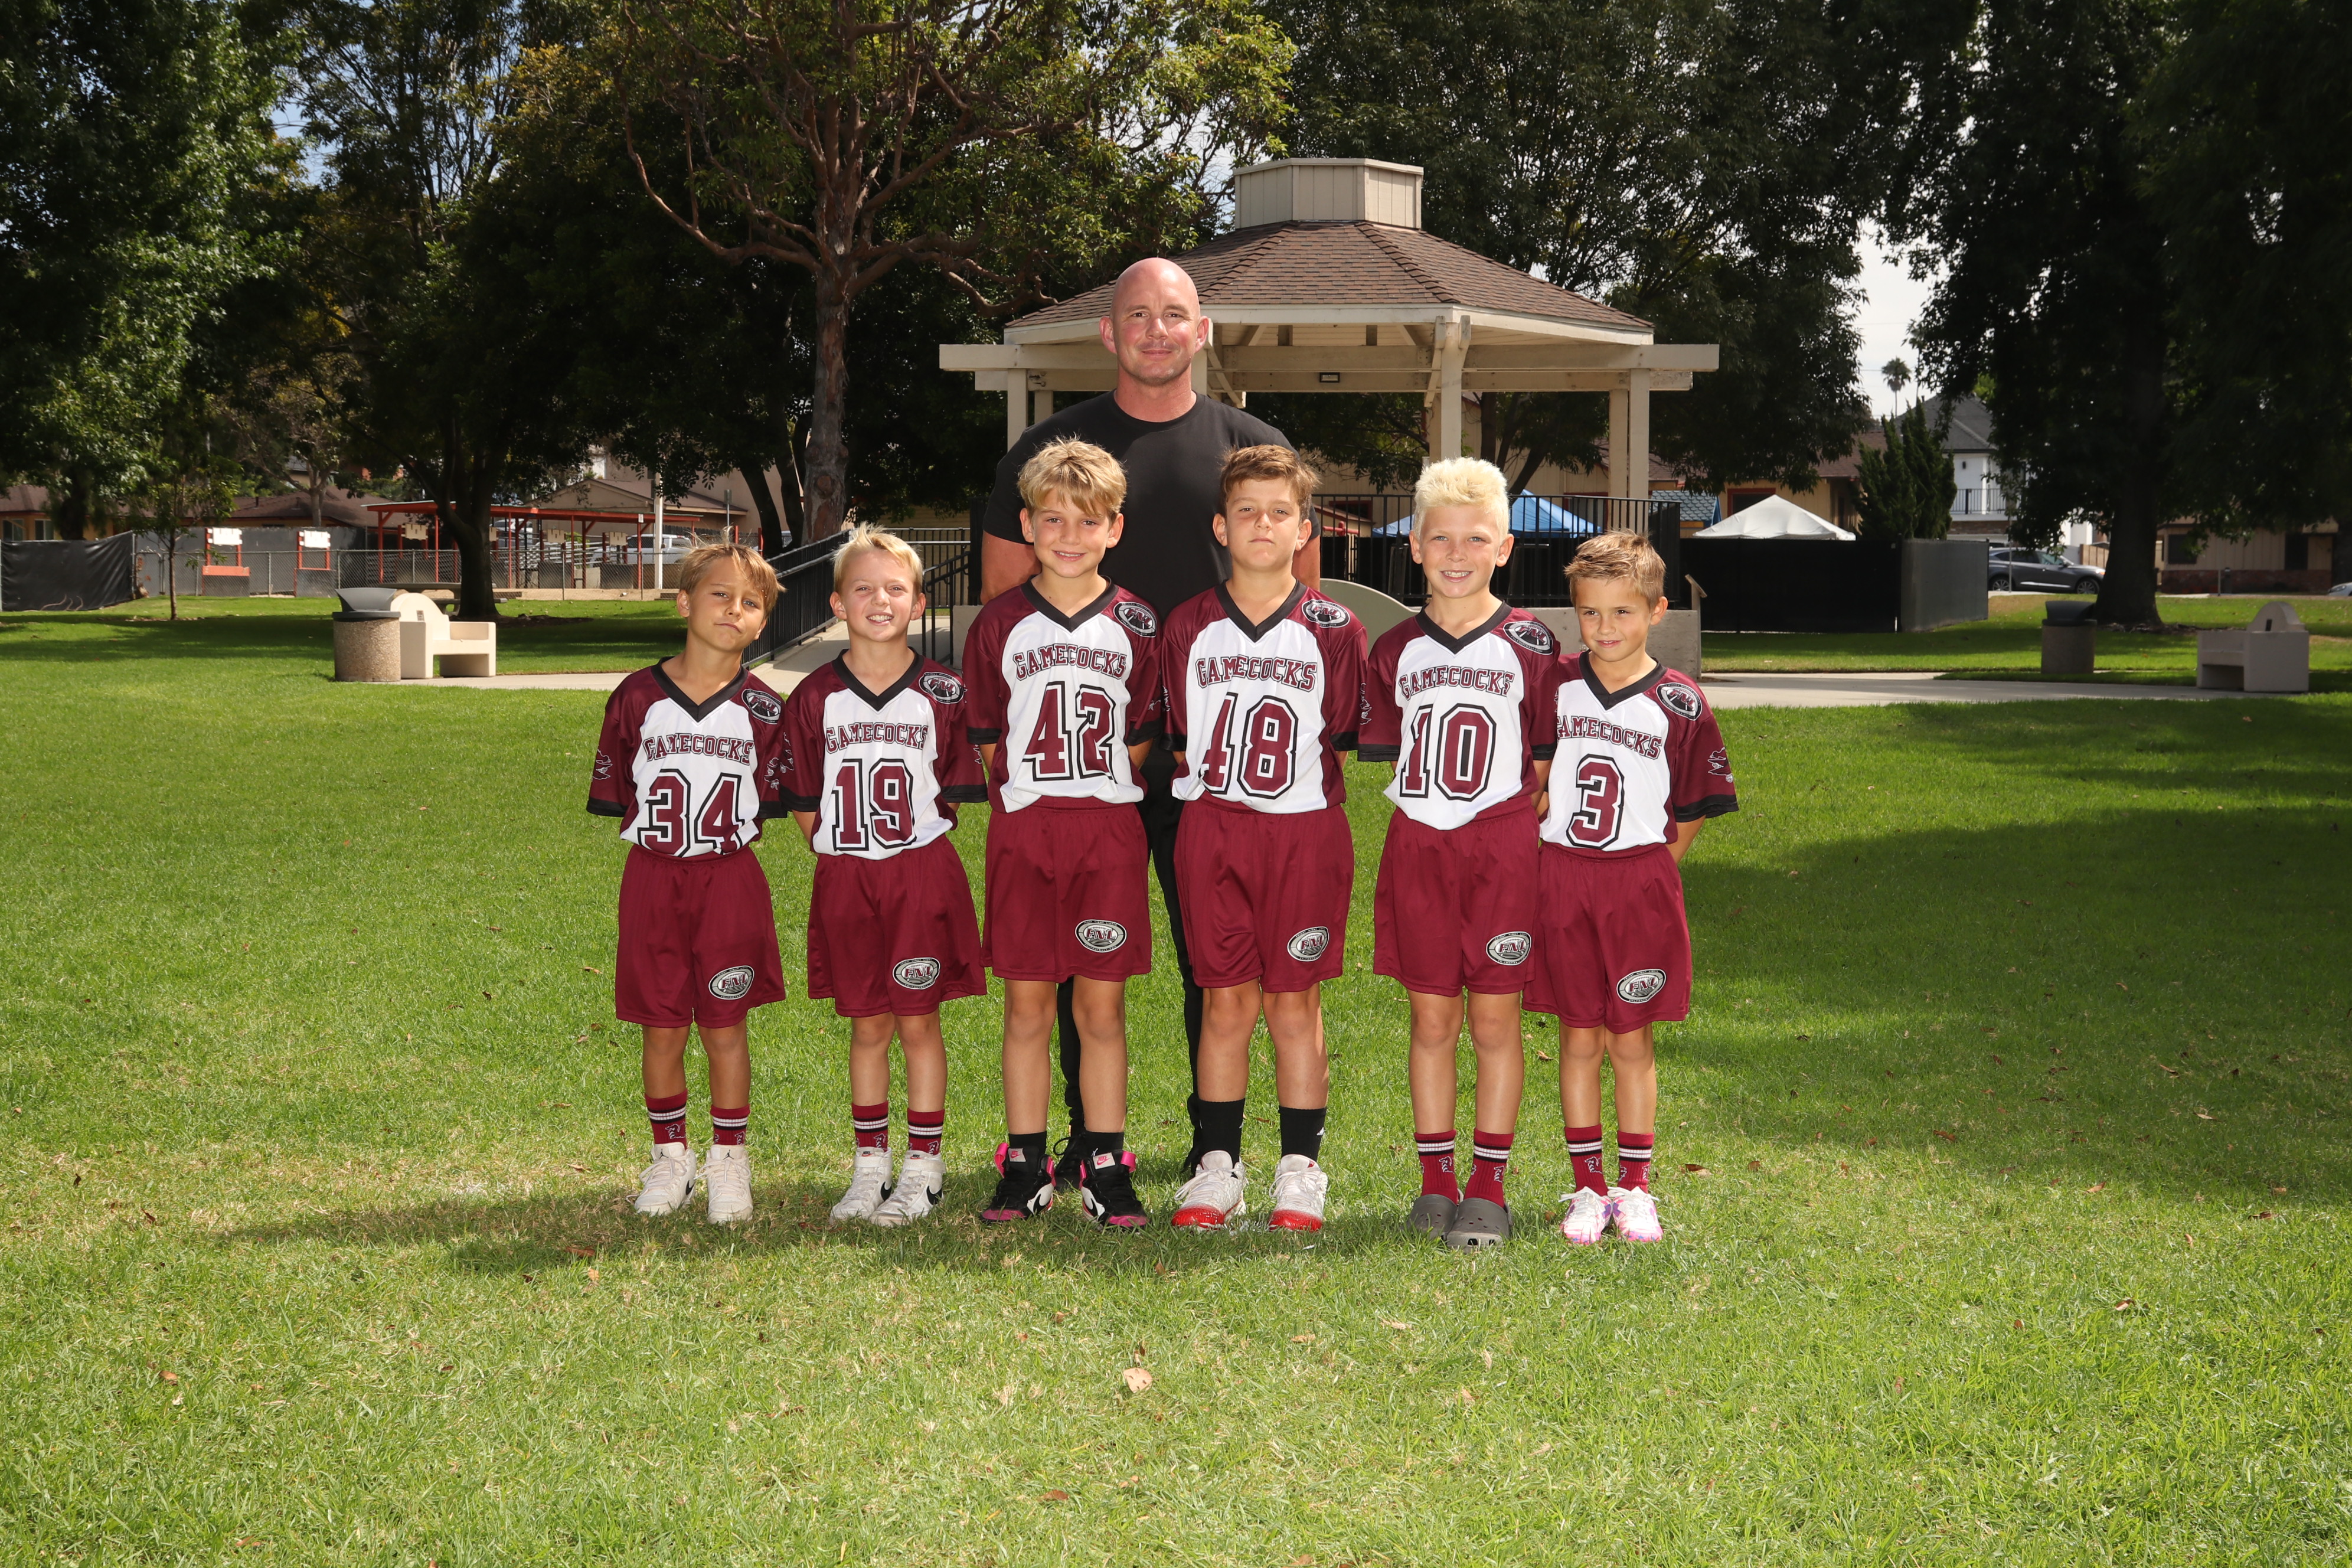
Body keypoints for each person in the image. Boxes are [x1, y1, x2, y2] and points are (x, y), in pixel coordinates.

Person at [976, 257, 1314, 1183]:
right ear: (1108, 332)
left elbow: (1303, 603)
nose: (1156, 331)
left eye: (1174, 315)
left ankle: (1215, 1144)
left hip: (1220, 765)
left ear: (1202, 331)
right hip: (1087, 763)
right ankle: (1087, 1142)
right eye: (1137, 315)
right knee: (1072, 961)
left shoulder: (1251, 446)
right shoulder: (1052, 452)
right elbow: (1005, 600)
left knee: (1219, 962)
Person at [1360, 459, 1567, 1250]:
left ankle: (1489, 1183)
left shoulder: (1532, 643)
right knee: (1432, 1016)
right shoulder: (1394, 649)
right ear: (1414, 546)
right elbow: (1388, 747)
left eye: (1476, 538)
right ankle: (1436, 1179)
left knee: (1495, 1017)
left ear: (1505, 547)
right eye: (1440, 538)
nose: (1457, 553)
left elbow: (1544, 763)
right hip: (1420, 844)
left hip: (1502, 847)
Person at [1158, 445, 1365, 1232]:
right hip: (1215, 828)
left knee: (1294, 1002)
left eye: (1280, 512)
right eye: (1246, 510)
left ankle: (1299, 1171)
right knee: (1224, 1000)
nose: (1262, 524)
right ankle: (1218, 1167)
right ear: (1221, 526)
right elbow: (1182, 736)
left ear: (1305, 529)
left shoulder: (1334, 628)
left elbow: (1338, 735)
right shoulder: (1188, 625)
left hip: (1304, 831)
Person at [963, 439, 1163, 1228]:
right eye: (1053, 519)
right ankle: (1024, 1163)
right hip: (1026, 829)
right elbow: (988, 734)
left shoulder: (1137, 621)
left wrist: (1092, 793)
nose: (1069, 536)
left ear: (1115, 528)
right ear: (1027, 524)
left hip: (1105, 830)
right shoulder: (999, 622)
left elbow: (1140, 734)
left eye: (1087, 521)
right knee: (1027, 1006)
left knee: (1101, 1009)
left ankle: (1106, 1162)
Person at [1530, 532, 1738, 1245]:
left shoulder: (1680, 702)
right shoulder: (1554, 686)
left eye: (1622, 611)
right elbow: (1531, 778)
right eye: (1590, 612)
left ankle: (1637, 1186)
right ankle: (1588, 1186)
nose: (1605, 627)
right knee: (1578, 1035)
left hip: (1639, 881)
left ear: (1656, 610)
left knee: (1631, 1038)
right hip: (1564, 875)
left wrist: (1648, 869)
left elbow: (1693, 808)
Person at [780, 526, 989, 1228]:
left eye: (895, 588)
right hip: (847, 874)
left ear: (919, 602)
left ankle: (924, 1166)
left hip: (919, 874)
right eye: (863, 588)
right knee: (867, 1024)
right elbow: (803, 800)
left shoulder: (944, 691)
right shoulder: (813, 695)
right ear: (838, 603)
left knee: (919, 1020)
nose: (880, 600)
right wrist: (846, 850)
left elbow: (954, 789)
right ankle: (870, 1164)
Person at [587, 543, 790, 1226]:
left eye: (750, 602)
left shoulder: (767, 709)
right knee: (663, 1026)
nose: (734, 610)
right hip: (654, 876)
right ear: (683, 602)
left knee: (726, 1027)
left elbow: (774, 801)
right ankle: (671, 1155)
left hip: (729, 880)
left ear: (762, 622)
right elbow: (621, 790)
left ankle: (729, 1157)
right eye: (719, 594)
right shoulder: (636, 697)